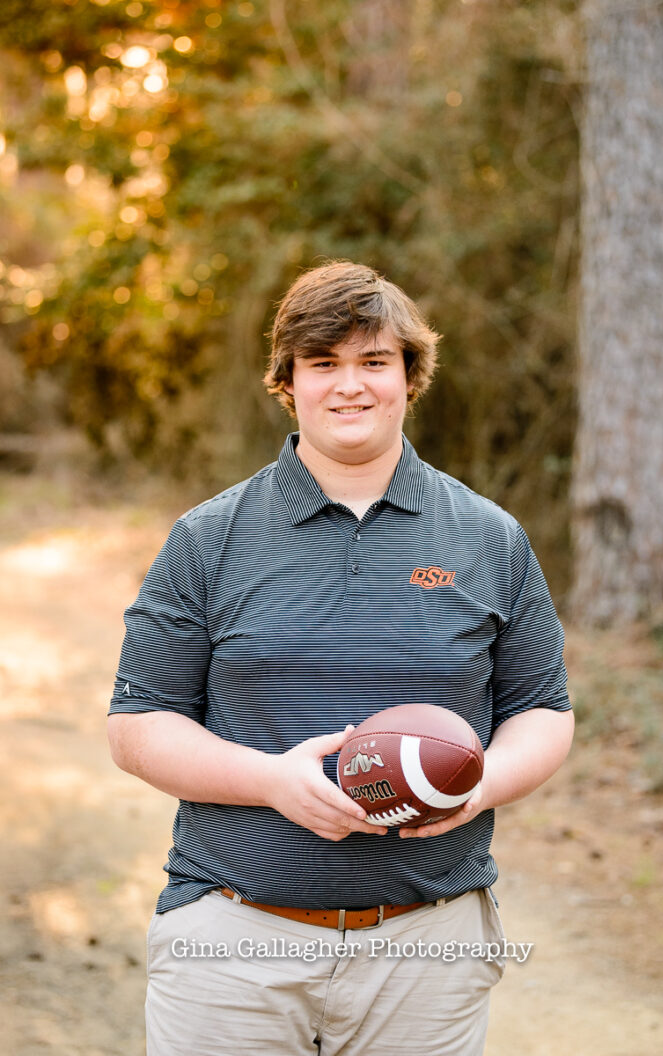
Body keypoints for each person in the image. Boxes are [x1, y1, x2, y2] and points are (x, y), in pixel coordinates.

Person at [107, 260, 574, 1056]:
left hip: (428, 949)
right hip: (231, 943)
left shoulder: (488, 537)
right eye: (323, 363)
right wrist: (272, 782)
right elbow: (139, 724)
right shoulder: (208, 539)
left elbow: (541, 710)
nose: (349, 385)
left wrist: (480, 785)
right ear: (287, 380)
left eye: (373, 362)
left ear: (409, 376)